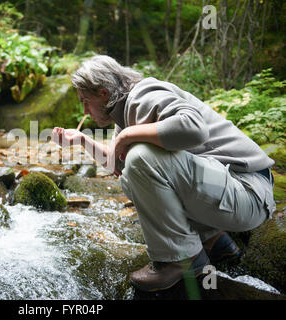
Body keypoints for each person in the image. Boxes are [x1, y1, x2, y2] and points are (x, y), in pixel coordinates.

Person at [51, 55, 276, 292]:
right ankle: (213, 240)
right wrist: (82, 140)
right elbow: (118, 165)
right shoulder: (125, 113)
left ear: (103, 93)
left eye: (85, 101)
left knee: (139, 158)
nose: (84, 109)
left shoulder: (145, 95)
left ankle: (180, 259)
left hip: (248, 192)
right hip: (232, 193)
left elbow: (194, 127)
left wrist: (128, 136)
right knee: (132, 172)